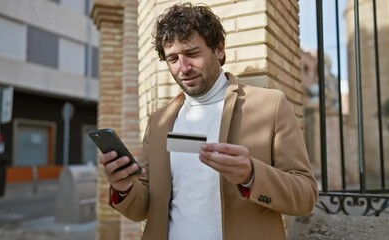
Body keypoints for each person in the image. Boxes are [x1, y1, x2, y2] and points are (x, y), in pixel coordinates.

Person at [99, 2, 318, 240]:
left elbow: (305, 197)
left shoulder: (270, 106)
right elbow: (143, 206)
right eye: (173, 59)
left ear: (219, 50)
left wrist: (252, 174)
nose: (183, 68)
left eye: (192, 54)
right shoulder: (159, 122)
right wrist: (124, 187)